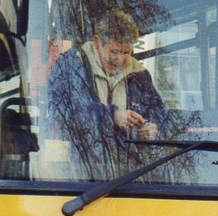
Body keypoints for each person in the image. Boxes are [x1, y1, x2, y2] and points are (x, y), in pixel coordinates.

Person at [47, 10, 170, 176]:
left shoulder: (140, 75)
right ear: (97, 43)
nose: (120, 59)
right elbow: (61, 113)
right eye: (114, 51)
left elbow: (162, 117)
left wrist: (152, 129)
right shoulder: (69, 67)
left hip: (130, 179)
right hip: (77, 175)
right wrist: (111, 116)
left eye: (126, 52)